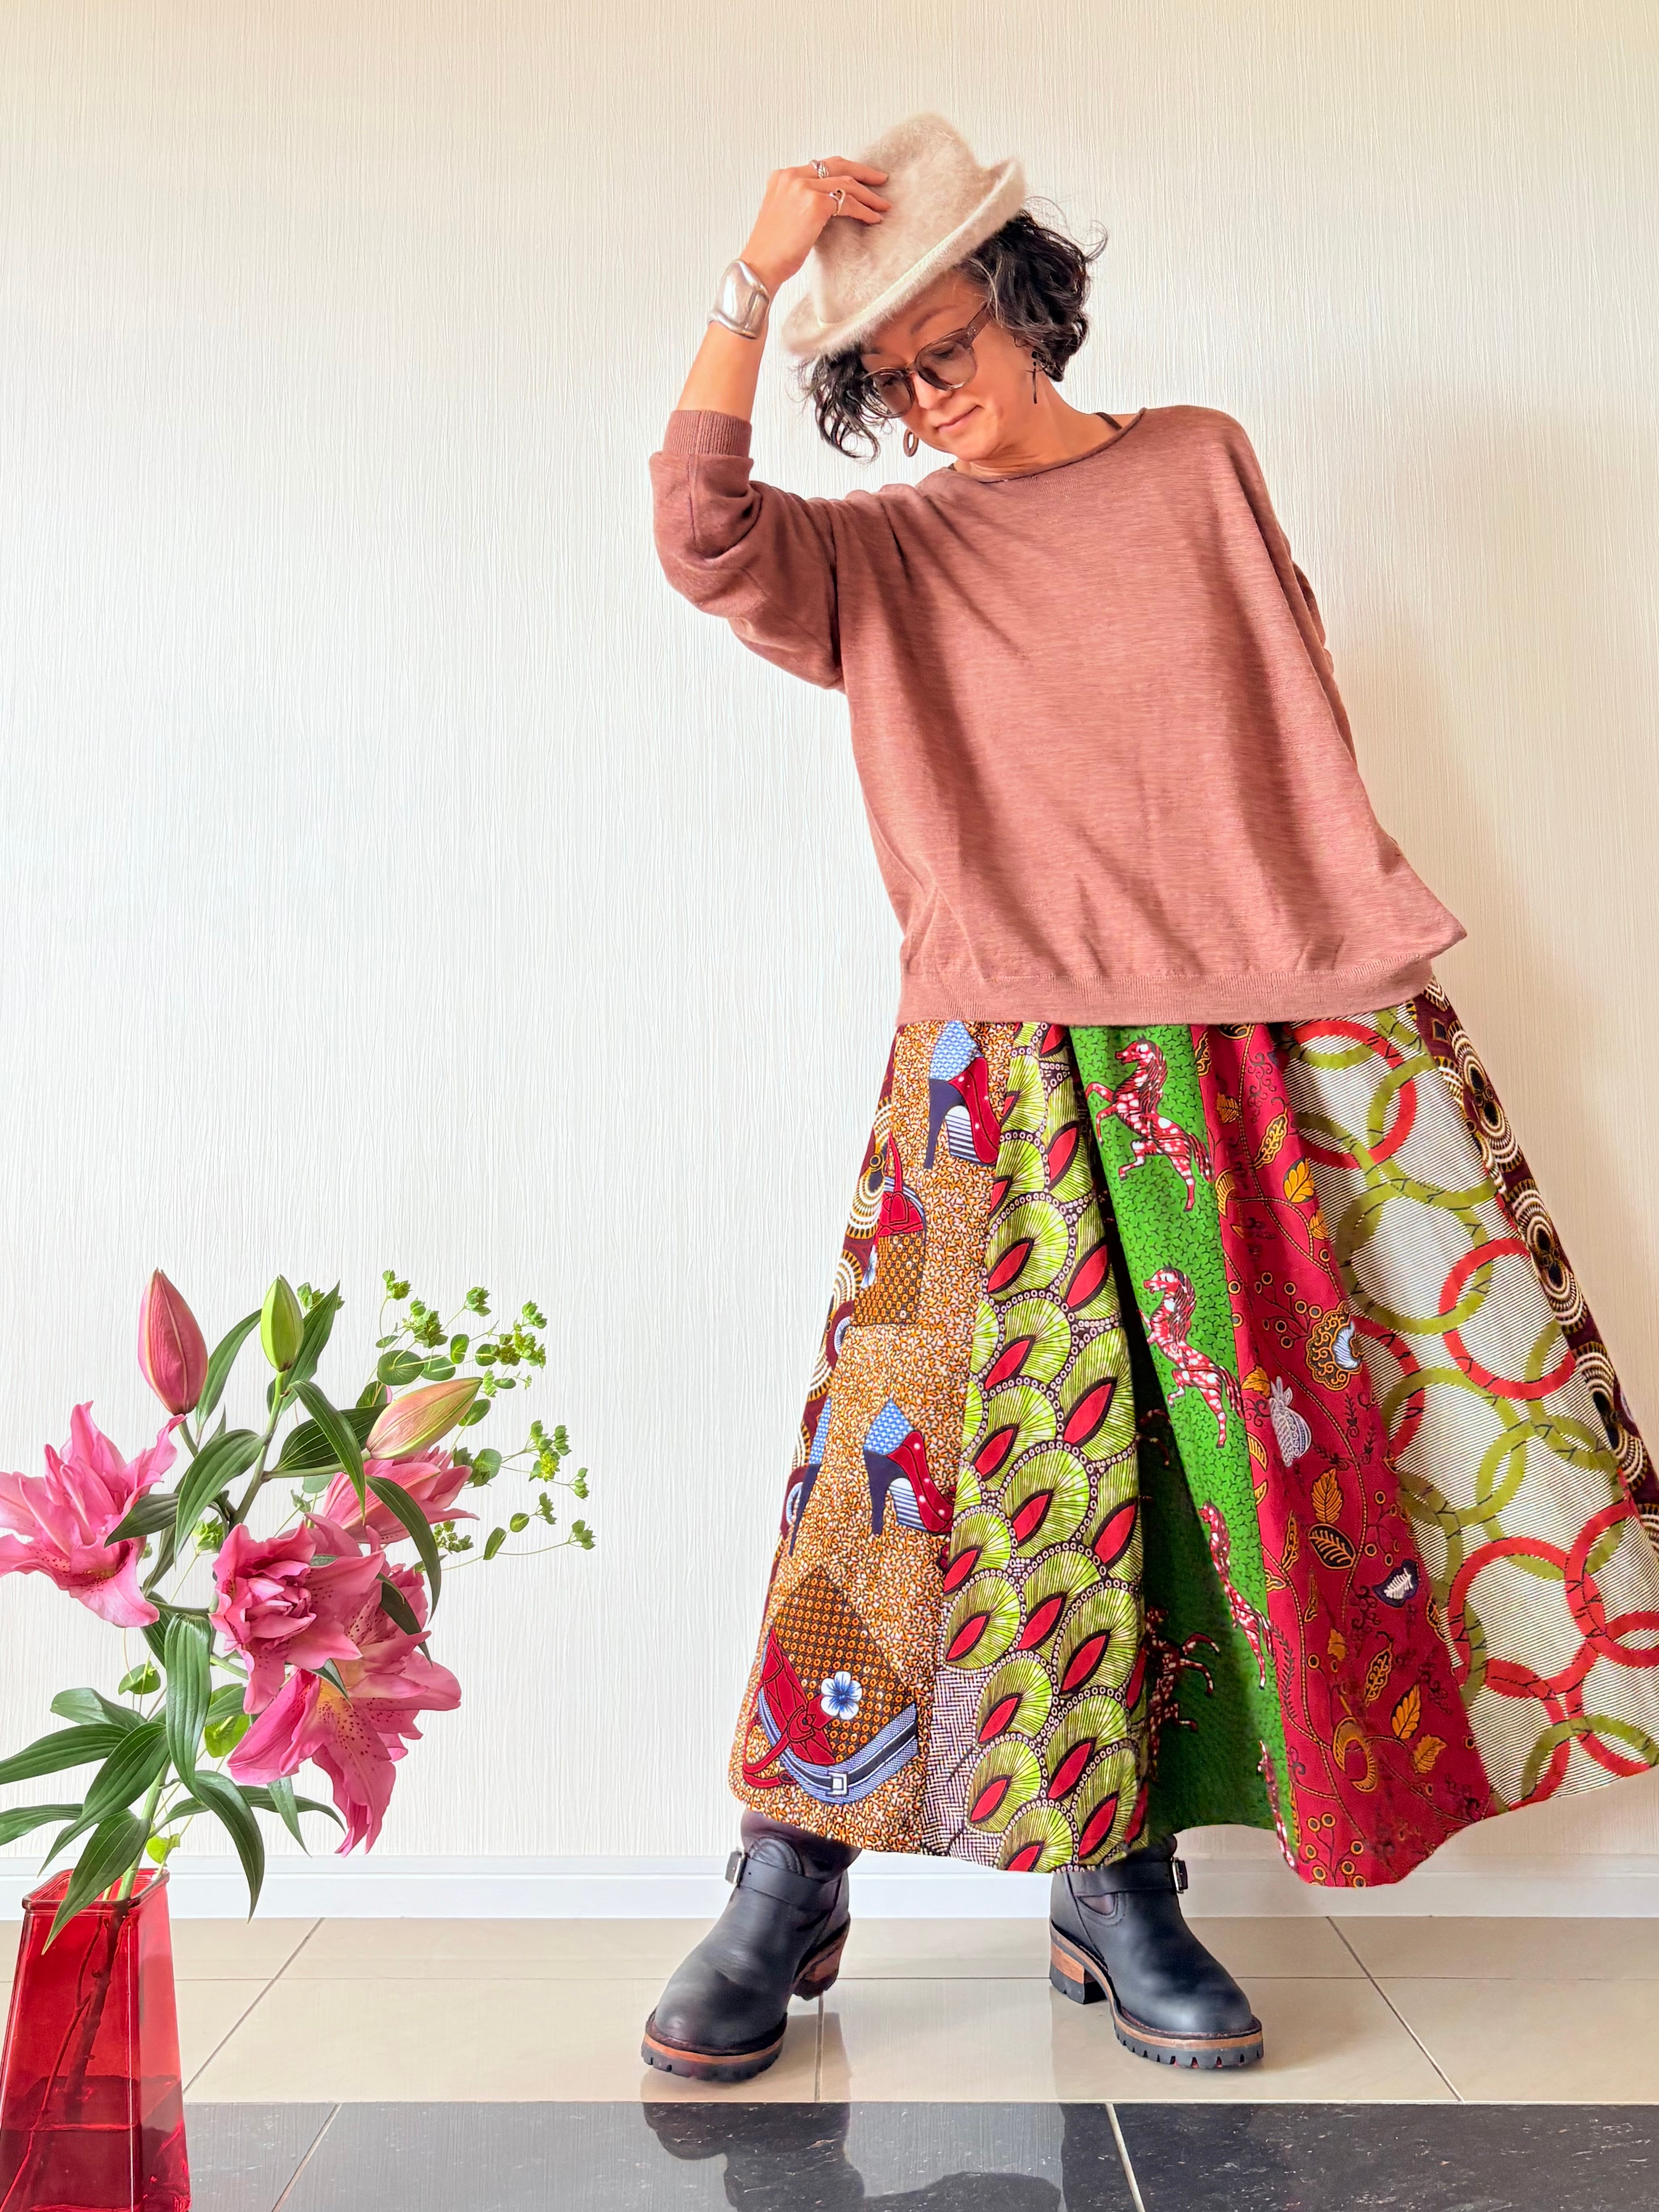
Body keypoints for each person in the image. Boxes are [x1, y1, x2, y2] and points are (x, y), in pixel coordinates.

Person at [641, 112, 1659, 2083]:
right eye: (888, 381)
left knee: (1199, 1477)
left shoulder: (1198, 464)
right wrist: (751, 286)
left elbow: (1281, 736)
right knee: (896, 1476)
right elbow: (699, 535)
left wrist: (1343, 997)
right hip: (996, 1053)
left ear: (1028, 304)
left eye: (948, 348)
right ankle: (787, 1872)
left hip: (1238, 1035)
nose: (927, 401)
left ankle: (1118, 1886)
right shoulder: (884, 557)